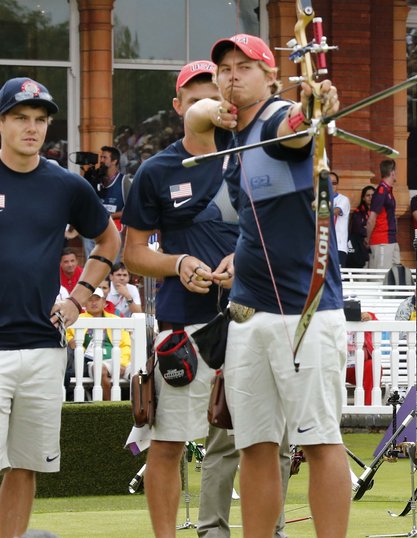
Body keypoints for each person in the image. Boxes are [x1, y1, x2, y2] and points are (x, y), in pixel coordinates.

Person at [186, 34, 351, 536]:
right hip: (247, 313)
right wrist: (211, 110)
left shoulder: (276, 117)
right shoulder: (228, 130)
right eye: (224, 69)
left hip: (305, 311)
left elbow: (295, 130)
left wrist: (311, 108)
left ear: (271, 77)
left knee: (320, 439)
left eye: (245, 67)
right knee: (253, 444)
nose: (232, 75)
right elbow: (192, 121)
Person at [123, 60, 292, 538]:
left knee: (268, 443)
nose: (211, 104)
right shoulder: (156, 170)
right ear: (179, 106)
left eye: (215, 94)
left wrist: (247, 258)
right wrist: (177, 263)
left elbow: (285, 232)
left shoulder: (256, 156)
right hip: (187, 329)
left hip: (256, 318)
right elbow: (133, 252)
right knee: (168, 445)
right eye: (197, 97)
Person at [0, 75, 120, 538]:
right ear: (2, 122)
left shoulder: (66, 185)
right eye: (20, 118)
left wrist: (79, 298)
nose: (32, 128)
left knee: (25, 467)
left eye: (40, 120)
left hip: (43, 347)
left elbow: (110, 237)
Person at [66, 280, 131, 401]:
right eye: (90, 299)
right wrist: (71, 341)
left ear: (104, 302)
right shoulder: (77, 319)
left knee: (140, 374)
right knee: (100, 371)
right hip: (93, 362)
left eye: (97, 299)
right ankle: (110, 408)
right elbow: (68, 336)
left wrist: (121, 362)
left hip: (119, 360)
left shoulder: (116, 320)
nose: (93, 302)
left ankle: (141, 410)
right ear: (85, 302)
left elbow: (126, 345)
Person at [367, 158, 401, 269]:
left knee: (394, 276)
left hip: (391, 239)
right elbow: (371, 219)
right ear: (392, 172)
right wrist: (368, 239)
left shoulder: (388, 190)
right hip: (381, 240)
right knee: (380, 278)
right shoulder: (381, 191)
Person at [348, 185, 375, 268]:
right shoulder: (358, 212)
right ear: (363, 198)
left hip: (376, 244)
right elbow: (358, 229)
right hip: (361, 247)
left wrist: (368, 227)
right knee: (362, 274)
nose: (371, 197)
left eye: (373, 195)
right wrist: (371, 229)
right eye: (368, 195)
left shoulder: (380, 212)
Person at [331, 171, 351, 269]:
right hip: (322, 247)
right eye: (327, 183)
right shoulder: (319, 200)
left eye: (334, 183)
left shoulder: (343, 199)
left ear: (337, 185)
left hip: (338, 246)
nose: (331, 186)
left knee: (338, 278)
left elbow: (335, 211)